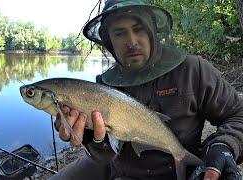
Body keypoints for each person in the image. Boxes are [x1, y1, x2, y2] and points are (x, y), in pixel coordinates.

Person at [50, 0, 243, 179]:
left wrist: (224, 144)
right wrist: (91, 137)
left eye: (139, 29)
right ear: (109, 40)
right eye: (120, 33)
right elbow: (107, 154)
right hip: (123, 170)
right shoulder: (104, 83)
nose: (132, 42)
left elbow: (238, 114)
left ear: (152, 32)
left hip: (178, 168)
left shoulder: (193, 69)